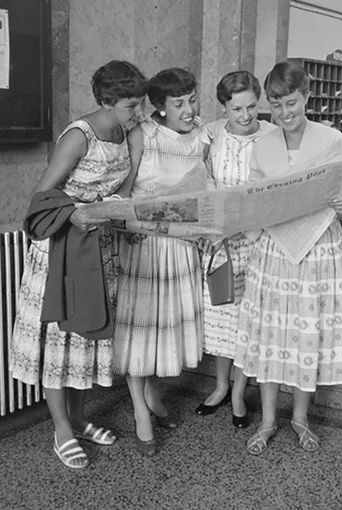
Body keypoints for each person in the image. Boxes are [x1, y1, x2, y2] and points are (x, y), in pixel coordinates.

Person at [9, 60, 148, 469]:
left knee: (86, 339)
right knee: (58, 339)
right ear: (105, 102)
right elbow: (40, 197)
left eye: (139, 104)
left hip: (99, 250)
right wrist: (75, 214)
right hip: (60, 251)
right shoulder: (77, 136)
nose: (138, 113)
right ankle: (62, 430)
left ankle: (81, 418)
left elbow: (121, 187)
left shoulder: (126, 132)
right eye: (130, 106)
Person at [233, 61, 342, 455]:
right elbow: (252, 201)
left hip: (319, 248)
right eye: (276, 104)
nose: (285, 113)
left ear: (306, 96)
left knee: (307, 333)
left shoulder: (332, 139)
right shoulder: (262, 145)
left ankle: (300, 418)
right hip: (273, 249)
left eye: (292, 102)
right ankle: (269, 420)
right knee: (271, 334)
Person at [112, 68, 209, 457]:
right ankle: (139, 412)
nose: (189, 109)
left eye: (192, 99)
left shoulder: (204, 134)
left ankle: (153, 395)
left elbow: (208, 186)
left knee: (164, 331)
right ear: (160, 107)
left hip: (181, 246)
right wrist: (129, 222)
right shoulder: (142, 134)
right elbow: (122, 190)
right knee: (139, 332)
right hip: (143, 246)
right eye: (179, 104)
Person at [194, 71, 276, 428]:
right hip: (220, 240)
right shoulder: (212, 134)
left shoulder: (273, 136)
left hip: (257, 242)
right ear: (223, 107)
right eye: (236, 108)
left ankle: (240, 392)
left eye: (251, 107)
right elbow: (203, 179)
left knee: (248, 322)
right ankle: (220, 386)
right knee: (220, 316)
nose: (245, 116)